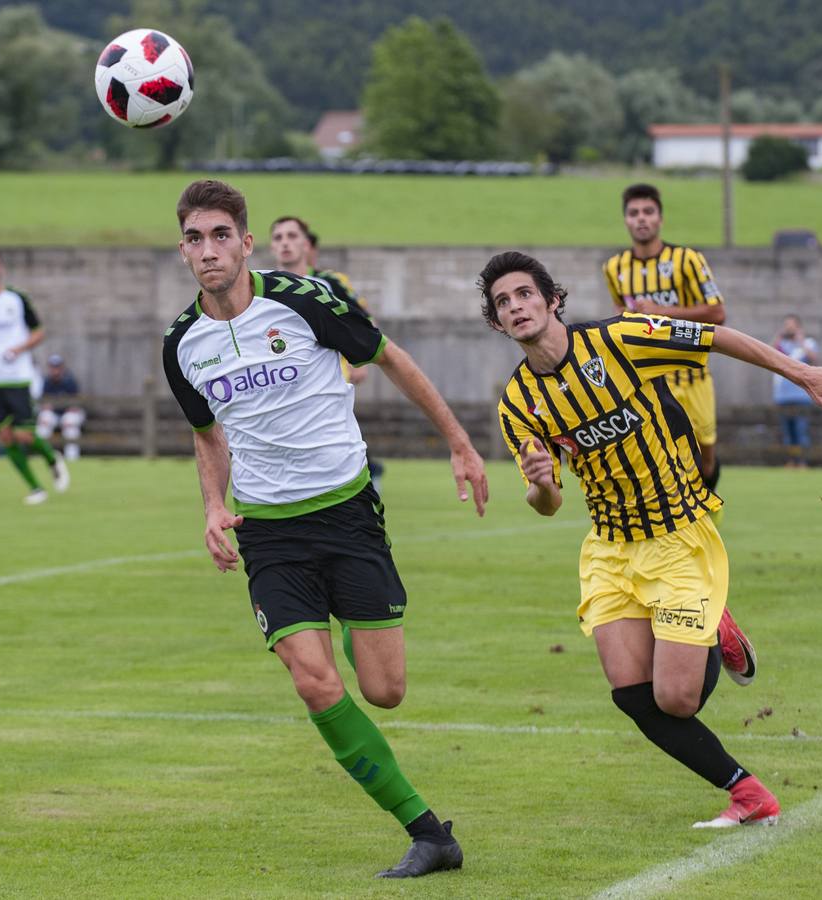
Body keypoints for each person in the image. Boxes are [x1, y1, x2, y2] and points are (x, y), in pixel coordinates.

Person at [163, 180, 487, 878]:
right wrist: (214, 507)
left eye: (222, 235)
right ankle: (428, 832)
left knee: (384, 690)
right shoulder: (181, 345)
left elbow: (391, 360)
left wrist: (460, 444)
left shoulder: (304, 301)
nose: (209, 250)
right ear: (183, 250)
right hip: (269, 534)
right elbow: (207, 435)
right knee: (314, 683)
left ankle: (355, 619)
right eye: (195, 238)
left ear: (247, 243)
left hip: (346, 514)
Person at [481, 251, 822, 828]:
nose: (516, 307)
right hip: (610, 550)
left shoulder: (620, 339)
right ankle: (748, 793)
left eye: (524, 294)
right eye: (503, 303)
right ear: (496, 321)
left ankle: (716, 626)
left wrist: (801, 371)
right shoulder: (518, 404)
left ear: (552, 299)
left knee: (677, 700)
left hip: (676, 536)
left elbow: (715, 336)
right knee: (631, 694)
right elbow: (548, 503)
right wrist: (539, 486)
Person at [604, 184, 727, 497]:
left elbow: (718, 312)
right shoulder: (615, 268)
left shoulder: (688, 260)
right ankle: (683, 516)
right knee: (663, 456)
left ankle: (709, 500)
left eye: (648, 212)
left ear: (660, 218)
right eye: (634, 213)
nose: (641, 219)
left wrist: (662, 312)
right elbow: (622, 318)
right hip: (652, 381)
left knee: (706, 458)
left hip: (694, 378)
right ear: (625, 221)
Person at [270, 215, 386, 493]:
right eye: (278, 238)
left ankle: (363, 485)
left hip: (329, 380)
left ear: (307, 245)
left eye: (292, 236)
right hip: (285, 383)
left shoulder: (328, 283)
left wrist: (358, 360)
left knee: (335, 440)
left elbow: (365, 322)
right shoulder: (264, 289)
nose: (285, 243)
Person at [0, 249, 69, 504]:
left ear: (1, 269)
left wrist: (19, 348)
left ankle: (52, 458)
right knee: (5, 436)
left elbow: (39, 332)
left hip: (17, 376)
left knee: (25, 435)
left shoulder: (16, 300)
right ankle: (35, 489)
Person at [771, 316, 819, 467]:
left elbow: (813, 358)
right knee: (787, 432)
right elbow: (768, 354)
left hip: (801, 396)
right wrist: (779, 336)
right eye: (787, 325)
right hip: (783, 397)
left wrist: (800, 340)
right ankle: (791, 460)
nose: (789, 328)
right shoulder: (782, 345)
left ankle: (802, 461)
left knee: (801, 430)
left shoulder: (807, 343)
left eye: (792, 326)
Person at [35, 354, 86, 462]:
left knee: (70, 424)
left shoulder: (70, 381)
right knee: (43, 422)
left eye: (57, 367)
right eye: (53, 367)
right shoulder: (47, 382)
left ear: (62, 367)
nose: (55, 370)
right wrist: (46, 407)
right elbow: (43, 402)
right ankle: (44, 457)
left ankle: (72, 459)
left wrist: (69, 408)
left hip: (68, 413)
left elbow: (75, 404)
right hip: (54, 414)